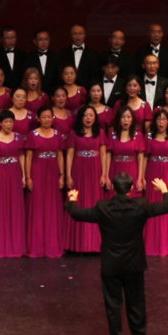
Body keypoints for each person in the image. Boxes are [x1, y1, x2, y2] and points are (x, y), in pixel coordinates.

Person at [64, 174, 168, 335]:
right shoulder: (140, 205)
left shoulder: (103, 207)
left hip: (111, 264)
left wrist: (72, 200)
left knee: (113, 305)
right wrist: (164, 190)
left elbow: (78, 214)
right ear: (131, 189)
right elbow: (166, 206)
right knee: (136, 304)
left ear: (114, 189)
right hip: (134, 264)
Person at [65, 105, 107, 253]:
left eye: (91, 115)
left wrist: (104, 174)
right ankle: (78, 245)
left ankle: (95, 244)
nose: (88, 118)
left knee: (94, 203)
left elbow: (103, 154)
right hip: (79, 170)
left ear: (95, 117)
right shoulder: (74, 134)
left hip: (95, 171)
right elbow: (70, 154)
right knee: (79, 203)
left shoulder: (100, 133)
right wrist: (68, 174)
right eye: (85, 115)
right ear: (81, 118)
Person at [25, 107, 66, 258]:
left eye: (49, 117)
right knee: (38, 206)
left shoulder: (58, 135)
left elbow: (60, 156)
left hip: (53, 173)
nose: (47, 120)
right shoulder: (32, 135)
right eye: (44, 117)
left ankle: (52, 244)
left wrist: (62, 175)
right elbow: (28, 157)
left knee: (52, 207)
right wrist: (28, 177)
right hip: (37, 172)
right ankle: (37, 245)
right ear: (38, 119)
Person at [0, 110, 27, 258]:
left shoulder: (18, 137)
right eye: (6, 122)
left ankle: (15, 246)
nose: (9, 125)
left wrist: (24, 176)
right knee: (0, 208)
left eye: (11, 121)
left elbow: (21, 157)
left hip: (15, 174)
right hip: (0, 174)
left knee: (15, 208)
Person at [144, 110, 168, 256]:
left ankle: (167, 245)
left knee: (167, 206)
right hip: (153, 172)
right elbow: (145, 158)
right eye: (158, 120)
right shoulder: (149, 137)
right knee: (152, 206)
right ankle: (151, 245)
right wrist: (143, 177)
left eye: (164, 120)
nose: (161, 123)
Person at [106, 106, 146, 199]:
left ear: (132, 119)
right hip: (115, 170)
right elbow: (108, 155)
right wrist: (106, 176)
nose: (126, 120)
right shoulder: (112, 134)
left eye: (128, 117)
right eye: (123, 117)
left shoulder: (138, 135)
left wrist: (140, 178)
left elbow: (141, 158)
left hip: (132, 171)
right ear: (119, 119)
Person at [25, 29, 61, 93]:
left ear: (49, 40)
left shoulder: (56, 57)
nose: (43, 42)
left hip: (53, 94)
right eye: (40, 39)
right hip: (34, 94)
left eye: (46, 39)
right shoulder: (28, 58)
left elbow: (59, 77)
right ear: (35, 41)